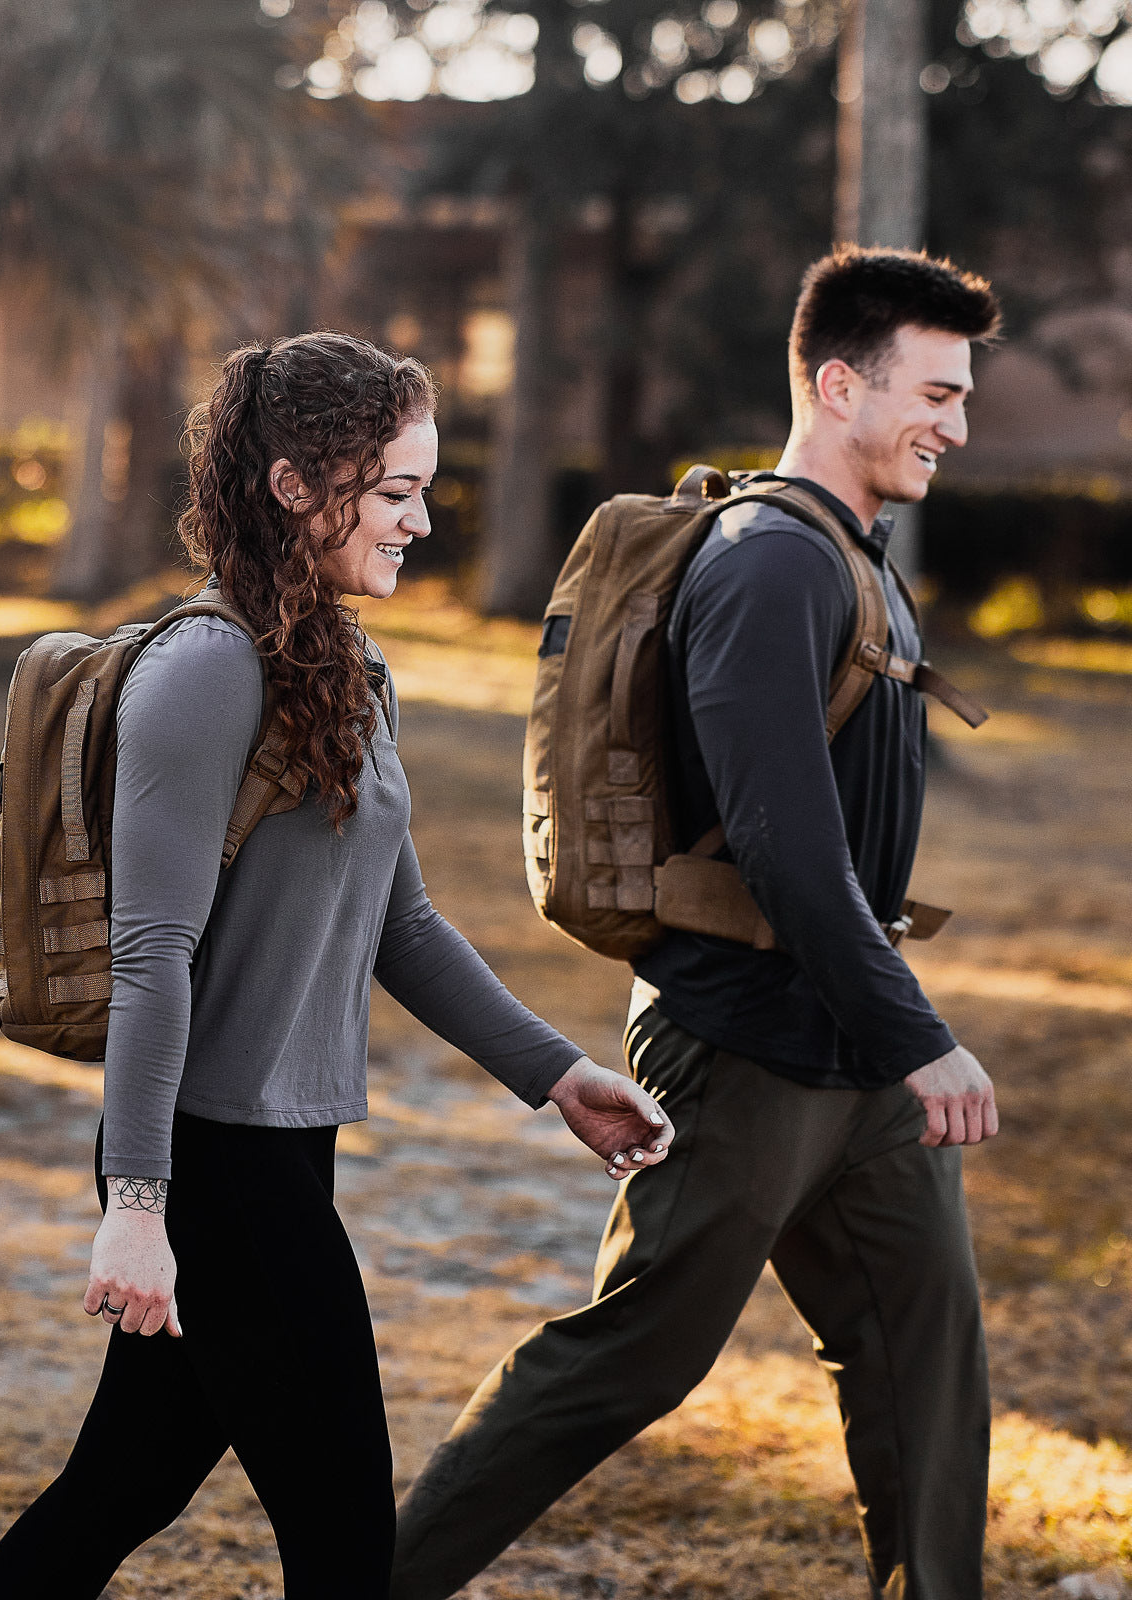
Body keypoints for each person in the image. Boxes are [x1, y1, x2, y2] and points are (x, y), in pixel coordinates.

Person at [0, 331, 674, 1600]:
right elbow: (151, 955)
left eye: (422, 489)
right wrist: (136, 1203)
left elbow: (402, 924)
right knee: (346, 1540)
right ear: (296, 486)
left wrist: (558, 1075)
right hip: (213, 1163)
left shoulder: (346, 664)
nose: (419, 520)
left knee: (124, 1483)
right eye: (394, 491)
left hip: (284, 1144)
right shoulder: (205, 669)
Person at [389, 247, 1003, 1600]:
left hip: (855, 1061)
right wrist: (923, 1036)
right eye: (938, 393)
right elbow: (784, 846)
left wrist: (889, 1040)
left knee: (929, 1369)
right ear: (839, 386)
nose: (958, 426)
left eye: (966, 397)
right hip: (743, 1049)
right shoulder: (769, 563)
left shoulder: (854, 554)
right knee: (628, 1361)